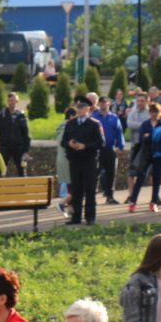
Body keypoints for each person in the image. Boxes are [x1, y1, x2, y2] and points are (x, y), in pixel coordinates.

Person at [60, 95, 103, 225]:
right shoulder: (70, 124)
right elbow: (63, 141)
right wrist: (70, 144)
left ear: (88, 109)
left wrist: (85, 146)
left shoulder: (94, 124)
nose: (79, 110)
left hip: (89, 160)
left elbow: (101, 143)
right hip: (75, 161)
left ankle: (90, 217)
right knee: (76, 190)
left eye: (82, 107)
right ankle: (76, 217)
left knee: (90, 189)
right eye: (77, 107)